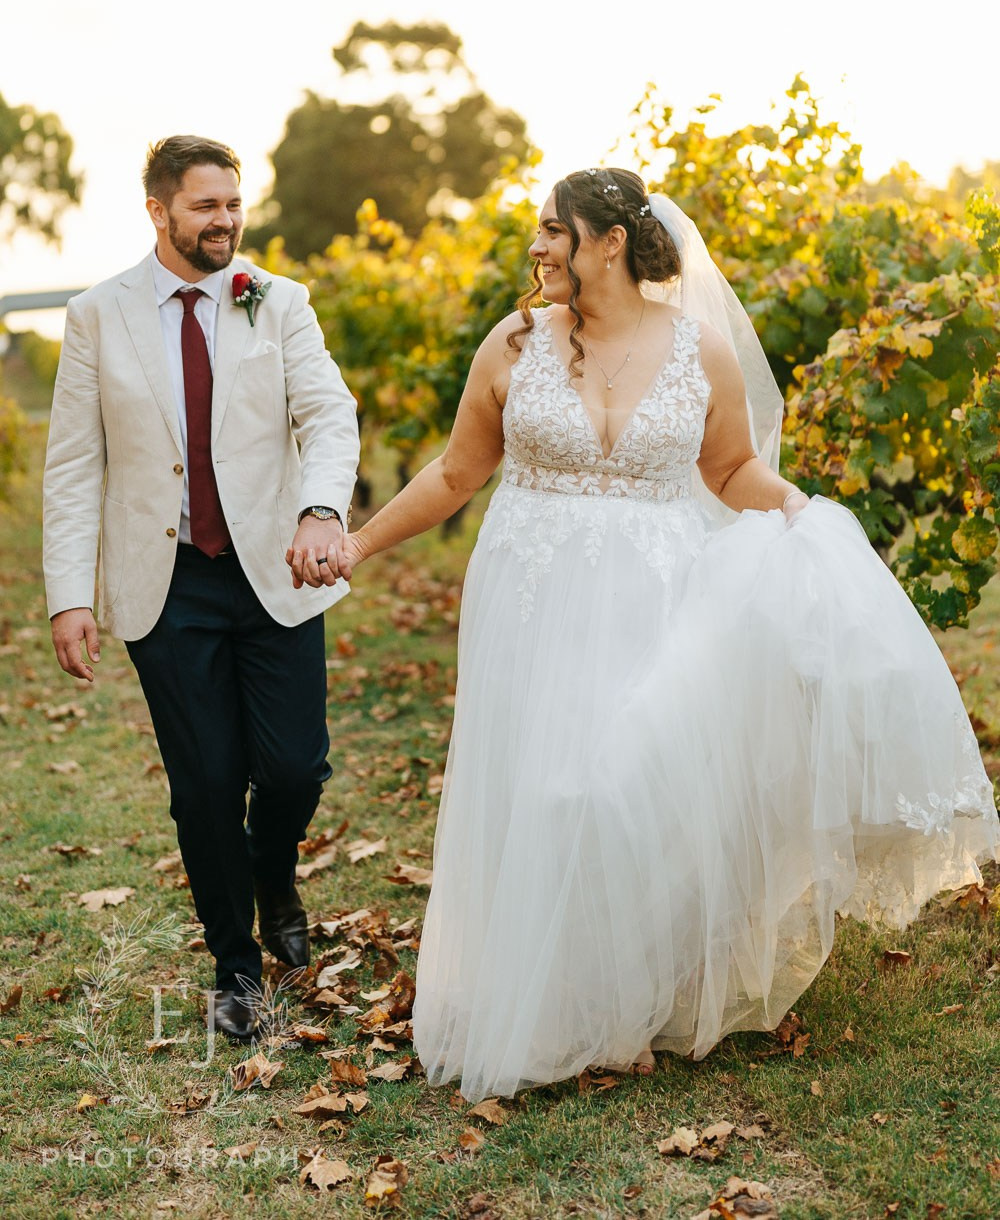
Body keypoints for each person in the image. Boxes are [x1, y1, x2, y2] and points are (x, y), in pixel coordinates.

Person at [307, 167, 1000, 1101]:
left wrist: (800, 513)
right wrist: (358, 544)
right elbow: (456, 474)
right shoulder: (513, 343)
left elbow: (732, 469)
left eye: (554, 229)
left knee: (629, 785)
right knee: (548, 789)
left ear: (611, 242)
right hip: (535, 597)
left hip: (659, 594)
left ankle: (630, 991)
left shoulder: (697, 349)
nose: (538, 246)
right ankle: (555, 999)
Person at [43, 135, 360, 1041]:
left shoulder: (279, 301)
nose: (226, 221)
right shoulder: (97, 315)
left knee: (293, 769)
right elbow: (74, 464)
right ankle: (235, 968)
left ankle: (274, 875)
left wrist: (322, 511)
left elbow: (328, 415)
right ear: (158, 211)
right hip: (167, 583)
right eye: (205, 207)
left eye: (233, 203)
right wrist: (69, 594)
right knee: (207, 782)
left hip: (276, 572)